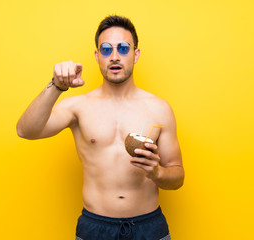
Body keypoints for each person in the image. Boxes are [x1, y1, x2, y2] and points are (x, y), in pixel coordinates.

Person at [17, 15, 184, 240]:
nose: (114, 56)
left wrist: (157, 172)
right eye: (106, 49)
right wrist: (56, 86)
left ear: (136, 54)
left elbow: (177, 176)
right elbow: (26, 131)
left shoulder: (159, 109)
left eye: (123, 48)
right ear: (97, 56)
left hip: (149, 226)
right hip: (95, 227)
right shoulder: (79, 106)